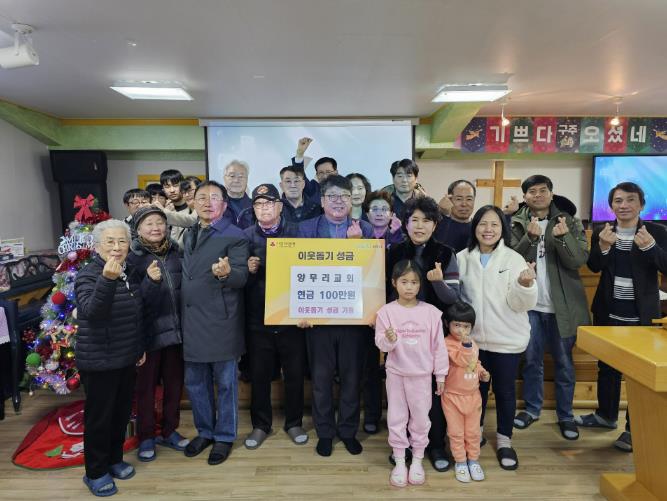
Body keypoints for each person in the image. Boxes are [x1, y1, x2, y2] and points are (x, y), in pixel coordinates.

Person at [576, 182, 667, 452]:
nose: (624, 205)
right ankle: (605, 416)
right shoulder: (603, 231)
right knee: (607, 367)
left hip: (642, 315)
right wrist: (603, 246)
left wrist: (651, 248)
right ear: (611, 205)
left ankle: (632, 429)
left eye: (630, 200)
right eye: (618, 200)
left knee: (639, 375)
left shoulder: (657, 232)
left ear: (641, 204)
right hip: (609, 310)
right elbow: (594, 266)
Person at [75, 219, 154, 497]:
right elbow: (92, 312)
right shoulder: (88, 275)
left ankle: (114, 460)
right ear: (98, 247)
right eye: (110, 242)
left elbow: (136, 314)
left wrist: (138, 348)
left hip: (125, 357)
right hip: (99, 361)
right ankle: (95, 472)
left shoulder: (128, 272)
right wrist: (107, 280)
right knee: (100, 419)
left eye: (122, 241)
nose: (117, 247)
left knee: (120, 415)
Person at [457, 205, 537, 471]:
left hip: (506, 341)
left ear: (502, 228)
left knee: (504, 392)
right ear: (474, 228)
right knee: (474, 392)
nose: (488, 229)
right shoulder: (462, 258)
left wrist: (525, 285)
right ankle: (475, 433)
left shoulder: (513, 259)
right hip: (473, 344)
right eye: (483, 224)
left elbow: (521, 304)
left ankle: (504, 440)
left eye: (494, 224)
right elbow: (458, 300)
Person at [297, 175, 373, 457]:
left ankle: (348, 431)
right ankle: (325, 432)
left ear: (352, 200)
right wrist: (299, 310)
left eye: (344, 196)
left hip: (354, 320)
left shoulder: (365, 228)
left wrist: (359, 245)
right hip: (318, 321)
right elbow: (297, 270)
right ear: (322, 200)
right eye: (332, 196)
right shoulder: (306, 229)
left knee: (352, 379)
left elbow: (373, 273)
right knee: (321, 379)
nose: (339, 201)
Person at [510, 175, 590, 441]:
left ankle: (566, 415)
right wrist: (531, 239)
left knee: (564, 362)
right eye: (532, 191)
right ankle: (532, 409)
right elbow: (511, 260)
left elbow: (578, 260)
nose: (538, 195)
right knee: (532, 360)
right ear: (525, 197)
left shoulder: (570, 221)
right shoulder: (516, 222)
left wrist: (564, 237)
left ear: (551, 194)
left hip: (562, 307)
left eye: (543, 190)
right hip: (530, 306)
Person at [386, 196, 460, 472]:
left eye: (426, 221)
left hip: (432, 336)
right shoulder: (394, 251)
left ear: (435, 225)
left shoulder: (446, 253)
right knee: (402, 396)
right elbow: (384, 293)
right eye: (414, 220)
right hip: (400, 338)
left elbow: (453, 298)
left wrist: (438, 283)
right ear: (405, 224)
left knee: (434, 392)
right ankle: (402, 446)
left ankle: (436, 445)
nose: (420, 226)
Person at [180, 181, 249, 466]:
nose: (208, 203)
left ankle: (224, 437)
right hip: (191, 321)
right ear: (193, 203)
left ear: (224, 204)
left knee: (226, 384)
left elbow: (241, 277)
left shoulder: (235, 235)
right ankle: (205, 432)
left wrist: (226, 273)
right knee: (195, 383)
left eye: (214, 198)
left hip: (221, 321)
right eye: (202, 198)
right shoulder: (189, 232)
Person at [242, 184, 308, 449]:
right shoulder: (245, 236)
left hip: (293, 319)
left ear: (280, 206)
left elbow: (309, 272)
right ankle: (260, 425)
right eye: (258, 204)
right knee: (259, 376)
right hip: (259, 320)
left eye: (269, 203)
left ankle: (294, 422)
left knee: (294, 375)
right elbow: (237, 282)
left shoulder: (298, 233)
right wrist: (247, 270)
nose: (264, 208)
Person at [375, 259, 449, 487]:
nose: (409, 287)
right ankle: (399, 461)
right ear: (394, 283)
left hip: (422, 376)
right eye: (404, 281)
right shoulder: (386, 312)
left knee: (420, 419)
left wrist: (440, 375)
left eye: (414, 282)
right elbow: (380, 343)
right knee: (396, 418)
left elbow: (439, 347)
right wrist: (389, 340)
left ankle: (417, 460)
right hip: (396, 374)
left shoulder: (431, 313)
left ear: (420, 285)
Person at [127, 206, 189, 462]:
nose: (156, 228)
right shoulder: (132, 258)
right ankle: (146, 436)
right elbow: (132, 301)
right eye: (149, 223)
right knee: (146, 389)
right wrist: (149, 282)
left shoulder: (176, 252)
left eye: (160, 222)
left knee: (174, 386)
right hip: (148, 335)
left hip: (176, 333)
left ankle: (169, 430)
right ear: (138, 229)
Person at [441, 301, 490, 483]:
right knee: (456, 433)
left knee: (473, 432)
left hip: (473, 396)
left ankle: (473, 460)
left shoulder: (471, 343)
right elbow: (461, 360)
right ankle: (460, 462)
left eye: (466, 326)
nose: (461, 330)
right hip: (452, 396)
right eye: (457, 325)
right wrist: (466, 345)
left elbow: (473, 362)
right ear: (448, 324)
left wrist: (481, 372)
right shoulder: (447, 344)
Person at [436, 180, 519, 253]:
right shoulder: (437, 224)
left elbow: (501, 247)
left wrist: (507, 215)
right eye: (459, 199)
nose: (464, 204)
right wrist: (444, 215)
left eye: (469, 199)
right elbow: (437, 248)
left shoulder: (479, 227)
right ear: (449, 200)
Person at [291, 137, 338, 206]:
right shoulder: (312, 189)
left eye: (328, 172)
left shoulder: (345, 189)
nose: (325, 176)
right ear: (317, 175)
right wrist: (299, 154)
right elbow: (299, 175)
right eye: (321, 173)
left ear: (336, 173)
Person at [157, 176, 201, 250]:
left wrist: (163, 211)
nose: (187, 195)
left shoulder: (205, 209)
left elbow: (193, 220)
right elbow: (176, 240)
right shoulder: (184, 212)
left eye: (190, 191)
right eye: (184, 192)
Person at [222, 160, 253, 229]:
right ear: (224, 179)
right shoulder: (217, 205)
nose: (236, 180)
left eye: (241, 176)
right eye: (232, 176)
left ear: (247, 180)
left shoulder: (255, 206)